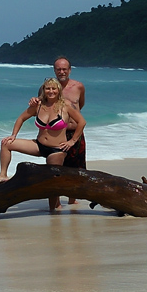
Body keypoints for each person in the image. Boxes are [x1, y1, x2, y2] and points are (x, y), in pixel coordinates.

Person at [0, 77, 86, 211]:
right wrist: (13, 135)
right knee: (6, 144)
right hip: (39, 145)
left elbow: (82, 122)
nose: (51, 91)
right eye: (48, 88)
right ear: (43, 90)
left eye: (54, 88)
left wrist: (72, 141)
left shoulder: (65, 106)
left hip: (56, 150)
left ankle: (54, 210)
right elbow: (21, 118)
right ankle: (3, 175)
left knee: (52, 180)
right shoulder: (38, 106)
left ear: (58, 90)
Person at [29, 56, 86, 205]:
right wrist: (34, 100)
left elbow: (80, 106)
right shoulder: (45, 88)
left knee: (76, 168)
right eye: (58, 69)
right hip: (55, 134)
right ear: (54, 70)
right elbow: (41, 105)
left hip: (74, 134)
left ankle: (72, 201)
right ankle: (56, 202)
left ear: (70, 70)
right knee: (55, 170)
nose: (61, 72)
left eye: (64, 69)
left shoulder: (78, 86)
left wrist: (73, 136)